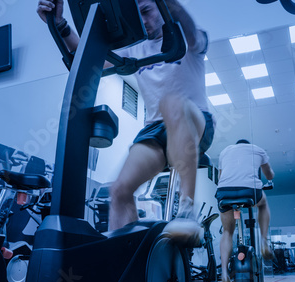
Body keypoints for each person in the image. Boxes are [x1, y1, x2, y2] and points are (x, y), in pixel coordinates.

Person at [36, 0, 214, 247]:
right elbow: (92, 57)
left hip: (195, 120)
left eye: (147, 11)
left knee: (172, 103)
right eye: (137, 15)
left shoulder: (187, 37)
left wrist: (170, 4)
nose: (144, 21)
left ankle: (186, 211)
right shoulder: (136, 48)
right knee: (119, 191)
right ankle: (122, 261)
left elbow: (192, 31)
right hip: (154, 129)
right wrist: (60, 25)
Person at [215, 139, 275, 282]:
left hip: (224, 192)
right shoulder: (258, 149)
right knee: (263, 203)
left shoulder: (225, 151)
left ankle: (223, 273)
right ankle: (264, 241)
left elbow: (221, 176)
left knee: (227, 232)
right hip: (249, 191)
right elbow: (270, 174)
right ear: (248, 144)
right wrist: (268, 176)